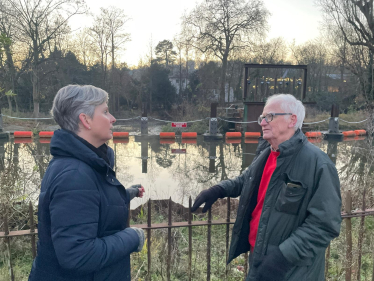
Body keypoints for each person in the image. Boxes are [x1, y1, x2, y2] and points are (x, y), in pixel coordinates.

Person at [191, 94, 341, 281]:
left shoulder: (318, 164)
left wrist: (284, 257)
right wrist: (218, 190)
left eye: (269, 117)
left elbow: (325, 225)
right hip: (259, 262)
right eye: (262, 117)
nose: (262, 122)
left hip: (292, 271)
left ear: (291, 120)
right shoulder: (266, 152)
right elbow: (246, 180)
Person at [29, 85, 145, 281]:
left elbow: (92, 205)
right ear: (85, 120)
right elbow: (78, 255)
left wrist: (126, 194)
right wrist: (133, 237)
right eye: (106, 111)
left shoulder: (86, 164)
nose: (113, 118)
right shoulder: (74, 174)